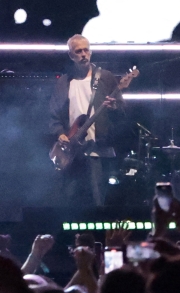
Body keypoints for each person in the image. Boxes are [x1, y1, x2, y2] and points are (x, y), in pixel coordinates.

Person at [48, 34, 126, 206]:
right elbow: (54, 114)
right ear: (71, 55)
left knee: (98, 198)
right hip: (72, 151)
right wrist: (60, 133)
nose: (83, 54)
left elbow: (122, 108)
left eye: (86, 50)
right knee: (70, 199)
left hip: (97, 149)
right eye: (78, 51)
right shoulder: (64, 82)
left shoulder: (105, 77)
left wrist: (114, 106)